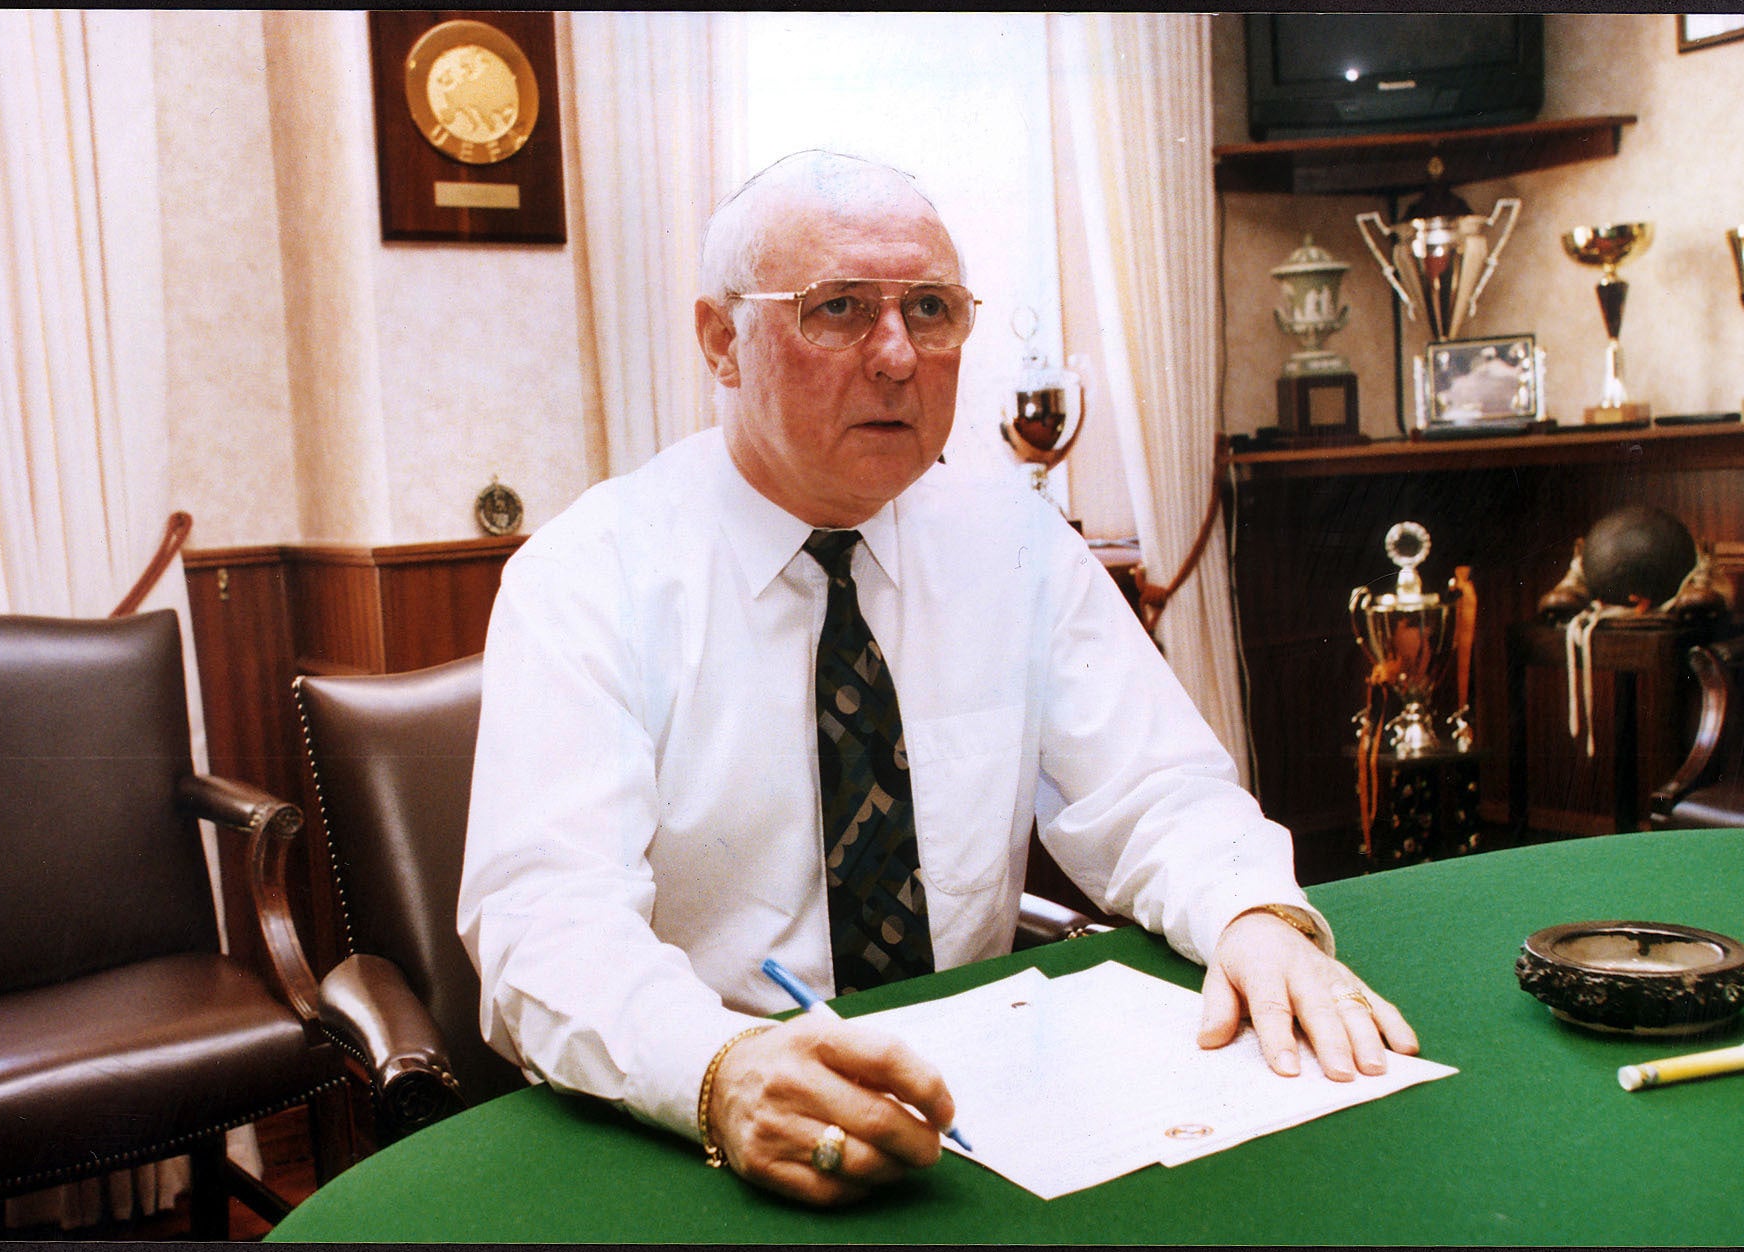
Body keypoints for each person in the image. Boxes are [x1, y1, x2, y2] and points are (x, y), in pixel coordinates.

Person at [459, 149, 1418, 1207]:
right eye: (835, 309)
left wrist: (1252, 914)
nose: (897, 355)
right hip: (697, 1118)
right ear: (719, 340)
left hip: (980, 1115)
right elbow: (546, 923)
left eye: (930, 307)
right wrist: (717, 1068)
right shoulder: (588, 575)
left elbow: (1153, 792)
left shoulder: (1014, 537)